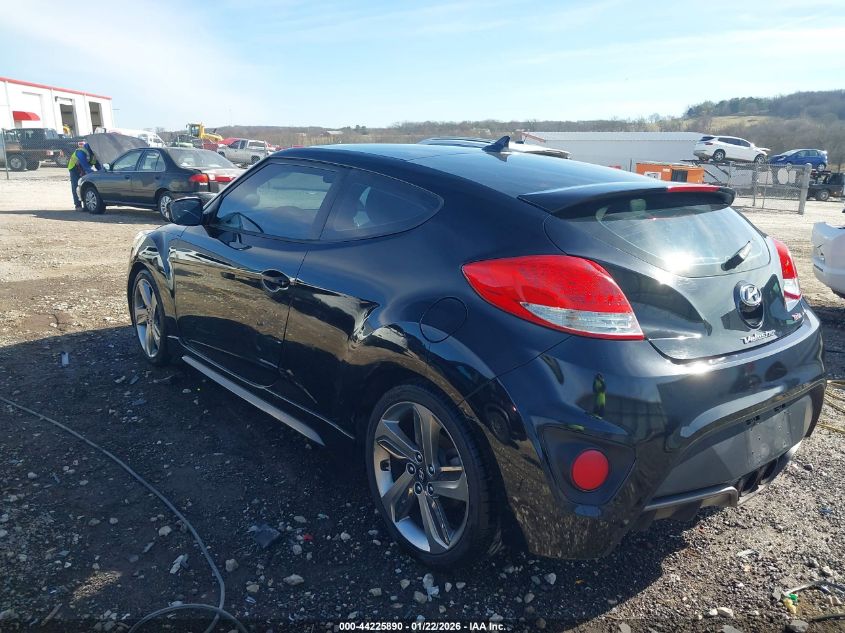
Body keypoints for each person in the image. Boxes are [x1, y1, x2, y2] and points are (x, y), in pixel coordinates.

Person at [67, 142, 102, 209]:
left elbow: (98, 166)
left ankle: (86, 205)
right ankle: (78, 205)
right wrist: (95, 175)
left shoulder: (94, 154)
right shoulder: (81, 152)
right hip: (74, 169)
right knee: (76, 186)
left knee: (85, 186)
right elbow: (86, 167)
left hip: (83, 168)